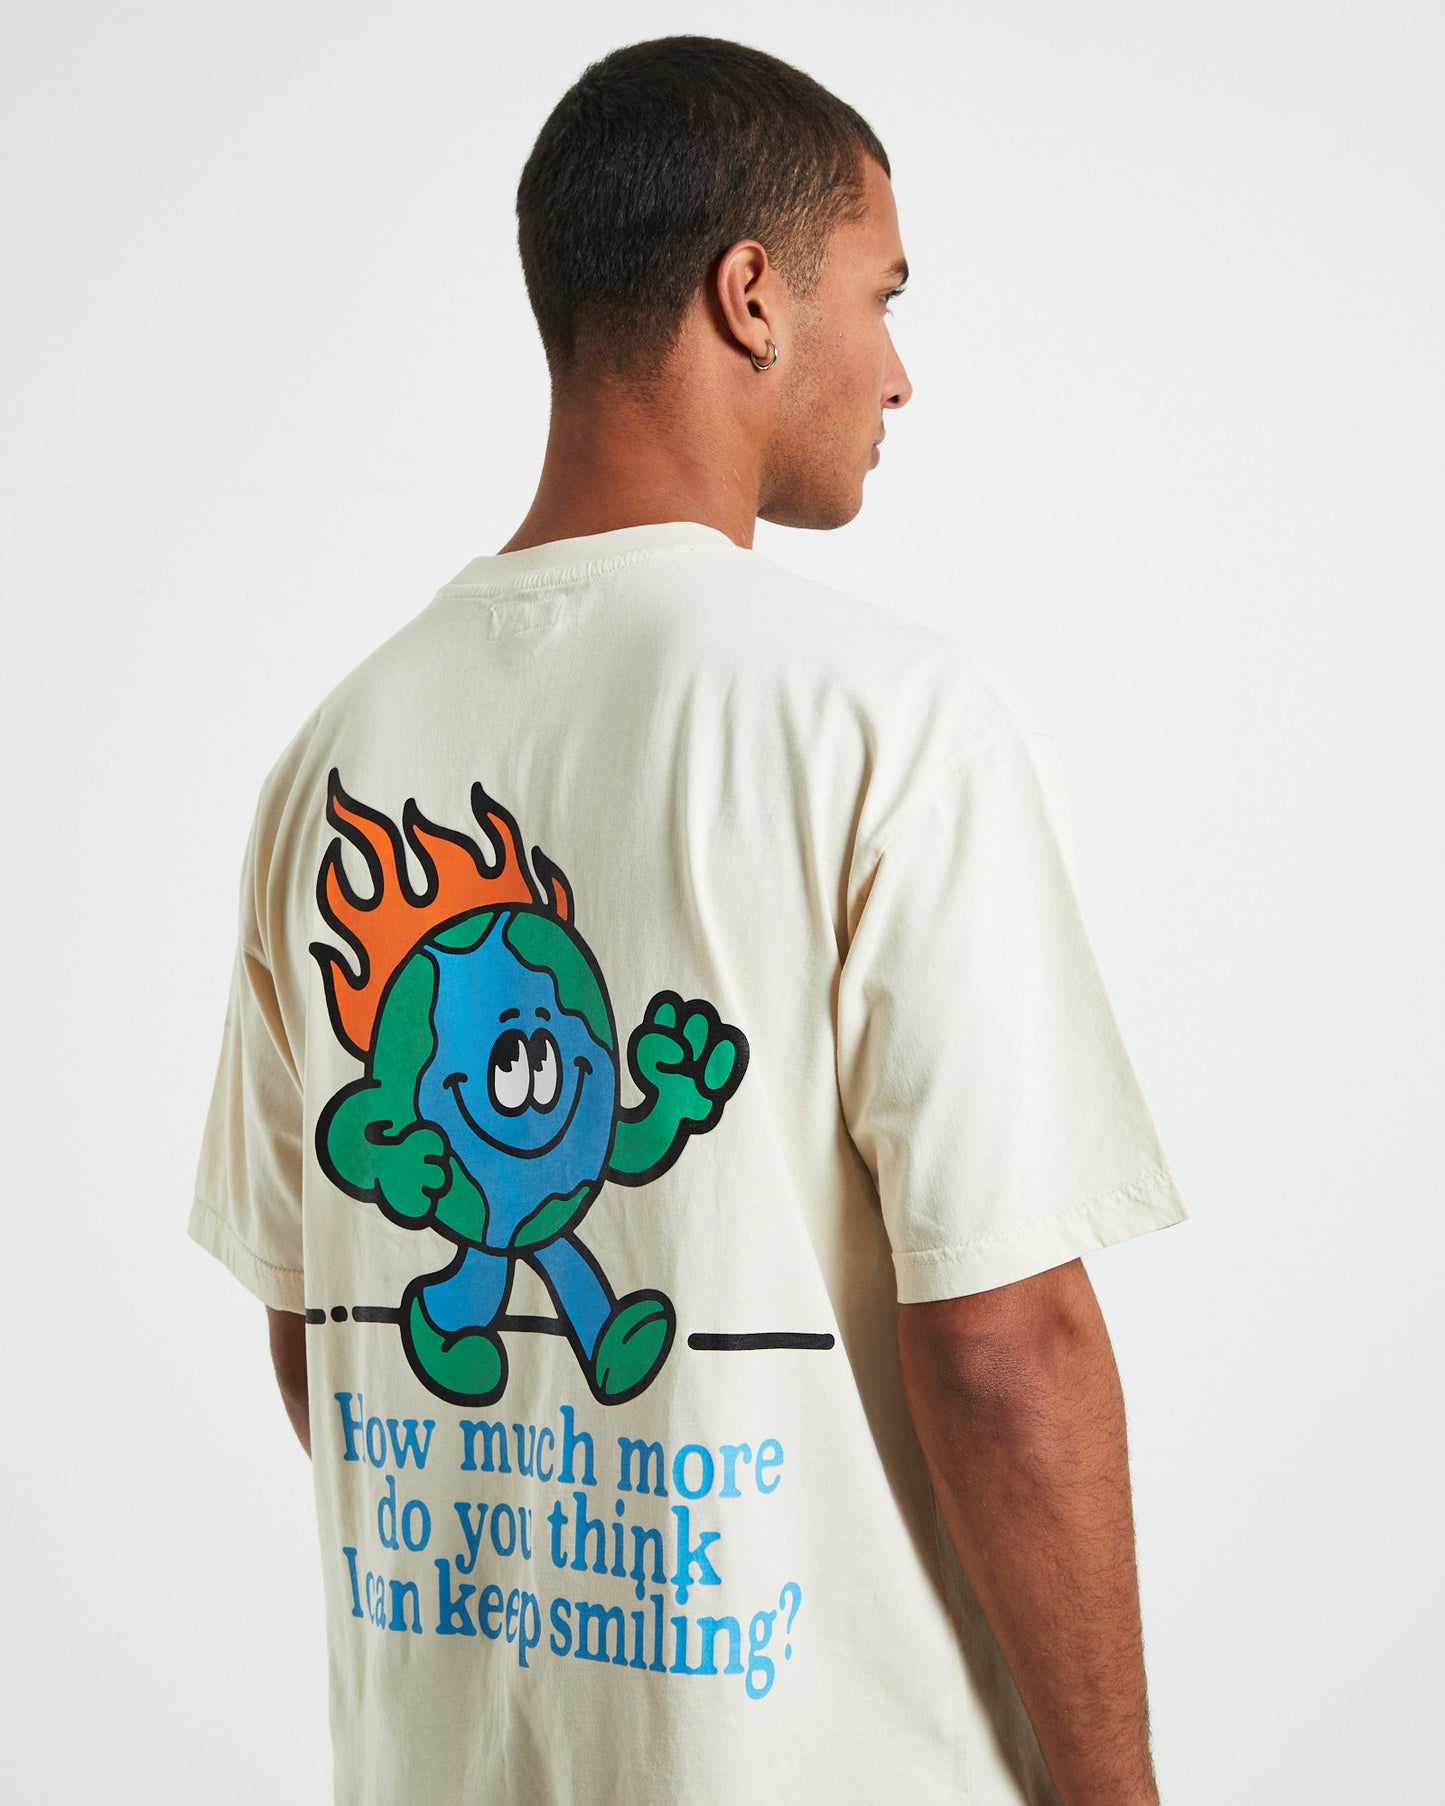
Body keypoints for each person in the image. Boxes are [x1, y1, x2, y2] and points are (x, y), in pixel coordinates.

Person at [190, 34, 1190, 1806]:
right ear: (751, 297)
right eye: (880, 294)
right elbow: (1003, 1337)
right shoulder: (890, 721)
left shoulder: (333, 755)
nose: (900, 372)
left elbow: (318, 1324)